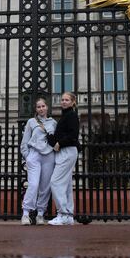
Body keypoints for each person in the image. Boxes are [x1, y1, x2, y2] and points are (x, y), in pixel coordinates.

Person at [19, 97, 57, 225]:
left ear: (47, 107)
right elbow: (24, 141)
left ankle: (40, 213)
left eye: (43, 106)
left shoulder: (53, 123)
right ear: (36, 109)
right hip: (34, 155)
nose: (41, 109)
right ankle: (25, 213)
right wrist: (27, 156)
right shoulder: (31, 122)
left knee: (45, 187)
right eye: (38, 107)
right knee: (33, 184)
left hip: (49, 156)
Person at [47, 92, 80, 226]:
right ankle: (69, 215)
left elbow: (73, 135)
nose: (64, 102)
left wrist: (59, 143)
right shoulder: (66, 115)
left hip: (67, 150)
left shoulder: (71, 115)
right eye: (62, 100)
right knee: (65, 184)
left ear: (73, 102)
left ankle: (63, 213)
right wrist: (51, 139)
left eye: (67, 100)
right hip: (66, 151)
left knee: (55, 182)